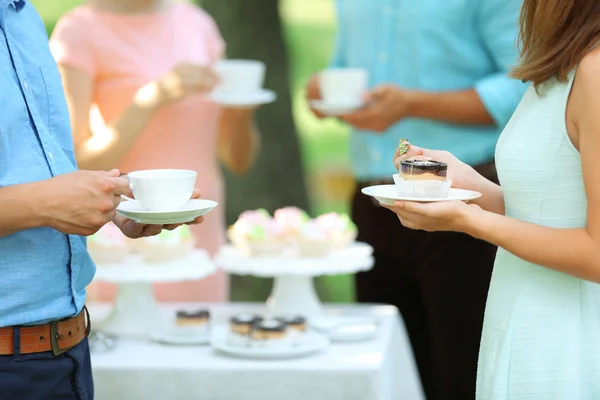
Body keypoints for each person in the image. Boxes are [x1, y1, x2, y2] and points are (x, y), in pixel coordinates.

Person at [306, 2, 527, 399]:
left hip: (465, 199)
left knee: (460, 372)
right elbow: (342, 71)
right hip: (374, 203)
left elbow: (524, 84)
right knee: (384, 371)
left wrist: (413, 104)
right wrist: (323, 90)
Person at [386, 1, 600, 398]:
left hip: (564, 341)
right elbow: (548, 211)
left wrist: (468, 220)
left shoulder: (595, 70)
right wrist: (466, 185)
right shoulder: (562, 67)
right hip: (518, 320)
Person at [0, 0, 204, 398]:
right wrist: (41, 203)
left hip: (68, 353)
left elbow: (41, 168)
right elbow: (38, 196)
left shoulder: (23, 17)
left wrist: (115, 204)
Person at [50, 0, 260, 302]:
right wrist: (151, 99)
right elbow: (74, 164)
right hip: (127, 244)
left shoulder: (198, 22)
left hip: (200, 243)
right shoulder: (78, 31)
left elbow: (238, 161)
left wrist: (242, 113)